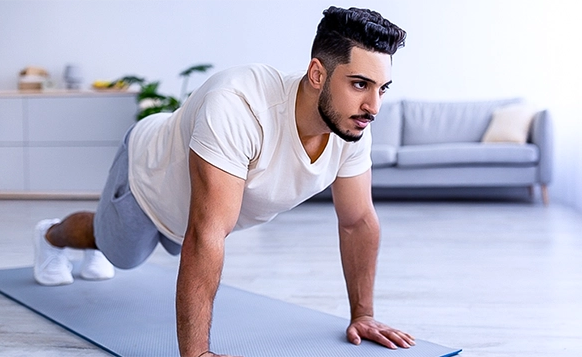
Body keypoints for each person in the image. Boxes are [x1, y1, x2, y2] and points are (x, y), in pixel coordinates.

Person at [32, 6, 412, 357]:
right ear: (317, 74)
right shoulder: (238, 105)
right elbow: (208, 232)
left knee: (182, 241)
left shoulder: (349, 129)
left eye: (382, 88)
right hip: (149, 178)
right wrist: (197, 353)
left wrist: (363, 314)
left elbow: (357, 220)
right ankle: (49, 236)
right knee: (121, 254)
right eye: (360, 84)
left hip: (195, 213)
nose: (374, 107)